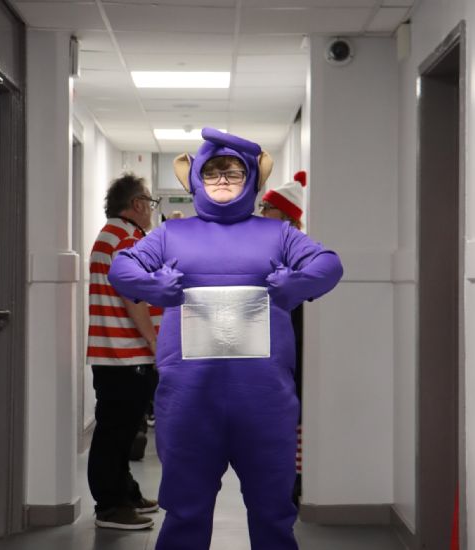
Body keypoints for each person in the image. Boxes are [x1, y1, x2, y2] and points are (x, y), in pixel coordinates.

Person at [108, 128, 343, 549]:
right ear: (196, 178)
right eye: (212, 172)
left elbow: (328, 263)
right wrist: (152, 286)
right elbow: (122, 267)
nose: (221, 181)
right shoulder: (171, 235)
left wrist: (297, 284)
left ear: (250, 179)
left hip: (265, 403)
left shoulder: (278, 234)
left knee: (273, 516)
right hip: (189, 403)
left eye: (233, 173)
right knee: (184, 514)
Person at [86, 173, 161, 530]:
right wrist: (154, 341)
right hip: (125, 354)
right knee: (115, 433)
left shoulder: (113, 234)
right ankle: (110, 506)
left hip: (117, 353)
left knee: (122, 430)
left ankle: (125, 492)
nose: (152, 210)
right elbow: (134, 297)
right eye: (150, 202)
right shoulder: (127, 238)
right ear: (137, 204)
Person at [260, 170, 307, 506]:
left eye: (268, 207)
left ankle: (293, 479)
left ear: (286, 215)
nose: (262, 213)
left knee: (292, 410)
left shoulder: (294, 249)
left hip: (292, 338)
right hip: (272, 340)